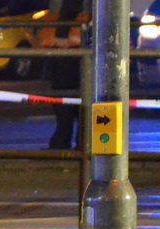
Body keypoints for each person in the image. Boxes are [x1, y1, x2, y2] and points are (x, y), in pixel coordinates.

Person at [44, 0, 90, 149]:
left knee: (66, 98)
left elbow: (69, 10)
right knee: (79, 102)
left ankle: (63, 142)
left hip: (71, 56)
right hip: (81, 53)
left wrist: (61, 36)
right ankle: (80, 143)